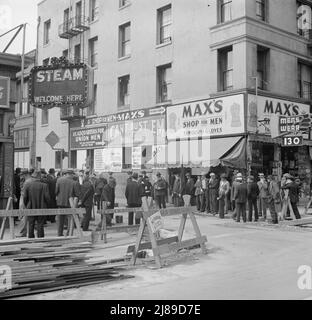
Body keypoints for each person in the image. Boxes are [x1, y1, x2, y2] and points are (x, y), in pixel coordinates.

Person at [23, 170, 50, 238]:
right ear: (40, 177)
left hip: (31, 206)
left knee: (31, 223)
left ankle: (31, 237)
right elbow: (47, 197)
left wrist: (26, 204)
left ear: (33, 177)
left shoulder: (28, 185)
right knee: (40, 223)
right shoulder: (44, 185)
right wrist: (47, 205)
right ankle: (40, 237)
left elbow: (25, 197)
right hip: (42, 206)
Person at [55, 169, 76, 237]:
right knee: (70, 219)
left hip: (60, 202)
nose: (73, 176)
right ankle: (69, 233)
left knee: (60, 219)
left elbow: (56, 191)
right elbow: (75, 193)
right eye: (73, 174)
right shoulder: (73, 182)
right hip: (70, 203)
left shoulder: (59, 180)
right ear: (70, 174)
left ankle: (59, 233)